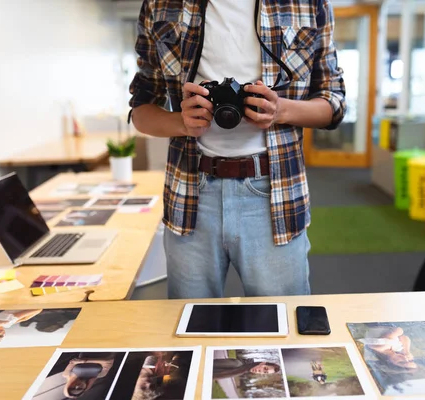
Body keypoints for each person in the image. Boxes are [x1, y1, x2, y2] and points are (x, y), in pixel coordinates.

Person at [129, 0, 346, 298]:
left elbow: (334, 104)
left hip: (275, 193)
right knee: (189, 329)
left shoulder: (308, 3)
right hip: (190, 194)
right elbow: (140, 111)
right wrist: (182, 122)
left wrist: (280, 110)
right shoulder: (160, 4)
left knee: (283, 330)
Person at [213, 357, 280, 380]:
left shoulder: (242, 370)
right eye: (265, 368)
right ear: (262, 363)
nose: (260, 371)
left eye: (265, 372)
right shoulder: (237, 364)